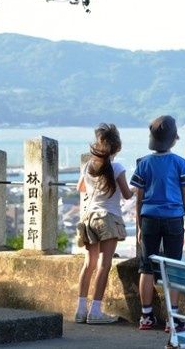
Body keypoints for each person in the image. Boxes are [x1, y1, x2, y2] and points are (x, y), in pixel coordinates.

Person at [130, 115, 185, 332]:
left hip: (148, 218)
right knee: (173, 268)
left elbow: (138, 199)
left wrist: (139, 225)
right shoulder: (180, 164)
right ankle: (172, 318)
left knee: (146, 268)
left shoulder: (143, 163)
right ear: (174, 139)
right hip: (173, 219)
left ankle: (146, 316)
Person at [74, 123, 133, 324]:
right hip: (108, 218)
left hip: (89, 217)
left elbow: (80, 187)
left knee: (89, 264)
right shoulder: (117, 168)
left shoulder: (87, 166)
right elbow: (126, 195)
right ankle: (96, 311)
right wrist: (138, 188)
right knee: (104, 265)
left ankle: (80, 310)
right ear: (117, 148)